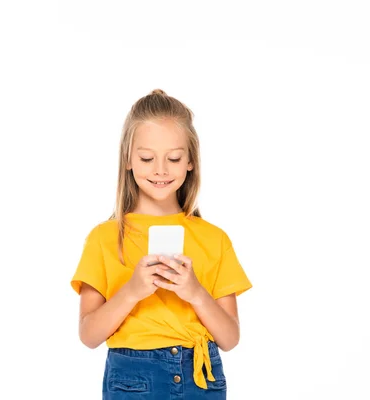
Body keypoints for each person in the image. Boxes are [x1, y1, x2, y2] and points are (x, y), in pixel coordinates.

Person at [70, 89, 252, 399]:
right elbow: (89, 336)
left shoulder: (214, 238)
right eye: (146, 157)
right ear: (128, 159)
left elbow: (230, 338)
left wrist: (194, 292)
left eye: (174, 158)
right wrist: (132, 290)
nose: (160, 170)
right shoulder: (104, 238)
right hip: (134, 379)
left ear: (190, 161)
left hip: (202, 377)